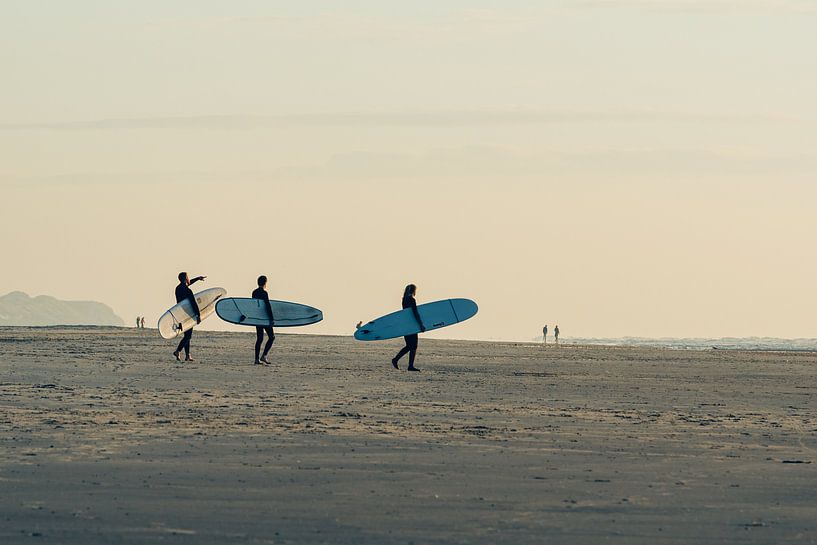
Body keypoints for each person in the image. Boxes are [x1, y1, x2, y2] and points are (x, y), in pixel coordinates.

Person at [391, 284, 425, 372]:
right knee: (413, 346)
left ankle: (401, 362)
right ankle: (404, 363)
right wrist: (420, 324)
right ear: (413, 290)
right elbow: (415, 313)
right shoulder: (411, 299)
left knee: (410, 346)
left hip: (405, 324)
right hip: (411, 325)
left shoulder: (404, 299)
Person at [173, 272, 206, 362]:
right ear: (185, 279)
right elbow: (193, 303)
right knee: (188, 336)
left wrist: (197, 278)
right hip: (188, 314)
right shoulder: (188, 291)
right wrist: (198, 315)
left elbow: (188, 283)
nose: (189, 279)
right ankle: (178, 351)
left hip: (180, 313)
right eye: (188, 277)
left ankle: (187, 355)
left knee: (187, 335)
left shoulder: (178, 288)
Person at [252, 275, 275, 365]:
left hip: (257, 318)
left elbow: (254, 306)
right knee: (272, 337)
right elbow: (267, 306)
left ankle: (256, 359)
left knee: (260, 339)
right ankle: (264, 356)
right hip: (264, 318)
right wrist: (271, 319)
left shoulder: (254, 292)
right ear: (265, 283)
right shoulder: (264, 293)